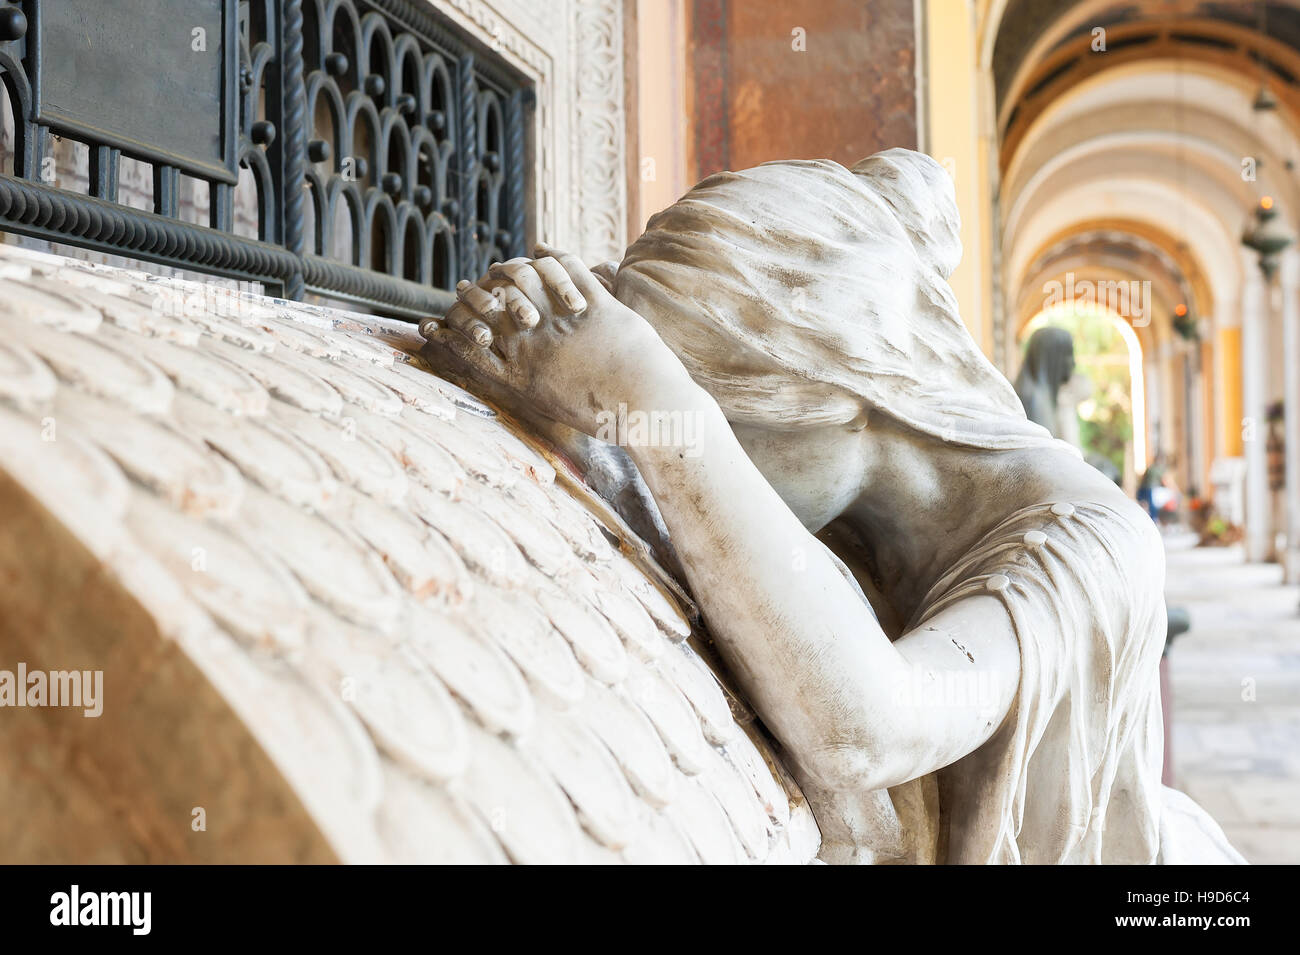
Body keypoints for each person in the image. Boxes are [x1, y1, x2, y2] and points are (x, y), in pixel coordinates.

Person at [423, 150, 1242, 864]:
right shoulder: (854, 506)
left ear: (838, 403)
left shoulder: (1095, 546)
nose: (719, 473)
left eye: (727, 429)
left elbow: (868, 727)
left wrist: (649, 395)